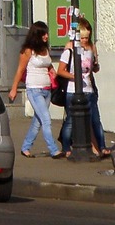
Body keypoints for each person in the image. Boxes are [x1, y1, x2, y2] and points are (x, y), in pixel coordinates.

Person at [8, 20, 64, 158]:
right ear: (36, 35)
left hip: (47, 89)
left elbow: (48, 65)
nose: (46, 36)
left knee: (38, 121)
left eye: (46, 33)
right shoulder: (28, 51)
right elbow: (20, 70)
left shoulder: (45, 49)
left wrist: (53, 71)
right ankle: (54, 150)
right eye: (43, 34)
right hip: (34, 89)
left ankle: (25, 147)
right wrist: (14, 88)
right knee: (46, 119)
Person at [56, 16, 110, 159]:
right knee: (70, 121)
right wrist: (74, 77)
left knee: (95, 119)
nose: (85, 41)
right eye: (83, 38)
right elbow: (60, 70)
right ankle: (67, 147)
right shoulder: (70, 49)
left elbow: (94, 69)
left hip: (89, 90)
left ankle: (102, 146)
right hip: (73, 90)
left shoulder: (91, 48)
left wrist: (96, 66)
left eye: (87, 38)